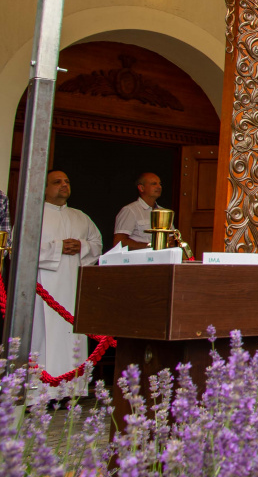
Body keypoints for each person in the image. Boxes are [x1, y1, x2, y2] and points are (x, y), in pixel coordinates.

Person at [35, 170, 102, 398]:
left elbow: (97, 244)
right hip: (43, 289)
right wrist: (57, 248)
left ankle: (70, 392)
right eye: (57, 182)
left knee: (71, 334)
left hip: (72, 286)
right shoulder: (34, 214)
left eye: (67, 181)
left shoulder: (79, 216)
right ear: (44, 188)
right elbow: (20, 246)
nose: (64, 185)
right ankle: (40, 394)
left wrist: (81, 245)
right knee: (44, 336)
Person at [113, 172, 164, 249]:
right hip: (139, 259)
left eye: (160, 184)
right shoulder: (130, 210)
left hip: (162, 259)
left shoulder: (163, 211)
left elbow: (172, 239)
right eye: (154, 184)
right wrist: (151, 246)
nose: (159, 187)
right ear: (141, 188)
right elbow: (119, 242)